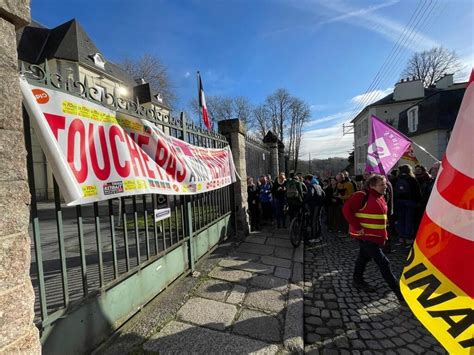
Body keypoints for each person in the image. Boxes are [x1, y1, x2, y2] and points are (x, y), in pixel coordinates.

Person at [342, 174, 404, 304]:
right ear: (372, 186)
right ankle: (399, 294)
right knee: (384, 263)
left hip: (374, 237)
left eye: (385, 184)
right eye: (382, 184)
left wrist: (385, 234)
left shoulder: (380, 197)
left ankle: (357, 280)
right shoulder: (361, 195)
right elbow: (346, 209)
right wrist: (357, 227)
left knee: (363, 258)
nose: (385, 187)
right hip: (366, 237)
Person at [394, 165, 421, 246]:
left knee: (400, 220)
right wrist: (418, 201)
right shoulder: (412, 179)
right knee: (409, 220)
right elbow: (417, 192)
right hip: (410, 202)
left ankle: (401, 237)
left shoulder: (397, 179)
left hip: (399, 202)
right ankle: (408, 238)